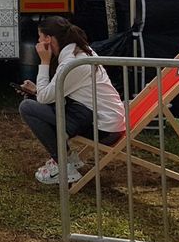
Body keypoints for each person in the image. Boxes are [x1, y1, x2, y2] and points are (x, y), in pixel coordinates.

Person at [18, 17, 126, 185]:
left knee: (28, 107)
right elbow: (54, 92)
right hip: (102, 118)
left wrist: (44, 62)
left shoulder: (72, 63)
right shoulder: (81, 51)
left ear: (49, 39)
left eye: (40, 37)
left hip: (103, 128)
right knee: (40, 105)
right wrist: (38, 90)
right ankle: (66, 159)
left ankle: (63, 164)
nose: (38, 42)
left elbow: (45, 98)